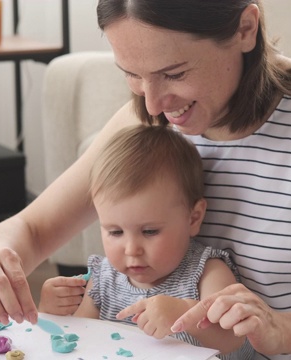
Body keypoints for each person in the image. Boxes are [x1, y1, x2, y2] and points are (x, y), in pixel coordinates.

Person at [0, 1, 291, 359]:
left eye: (174, 72)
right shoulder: (149, 122)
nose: (152, 104)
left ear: (245, 29)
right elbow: (30, 230)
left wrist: (281, 330)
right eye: (132, 75)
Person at [39, 124, 254, 358]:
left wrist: (185, 314)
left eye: (150, 231)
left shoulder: (207, 272)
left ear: (193, 218)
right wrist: (52, 313)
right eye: (115, 232)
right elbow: (78, 342)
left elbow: (237, 342)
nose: (132, 250)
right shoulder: (104, 277)